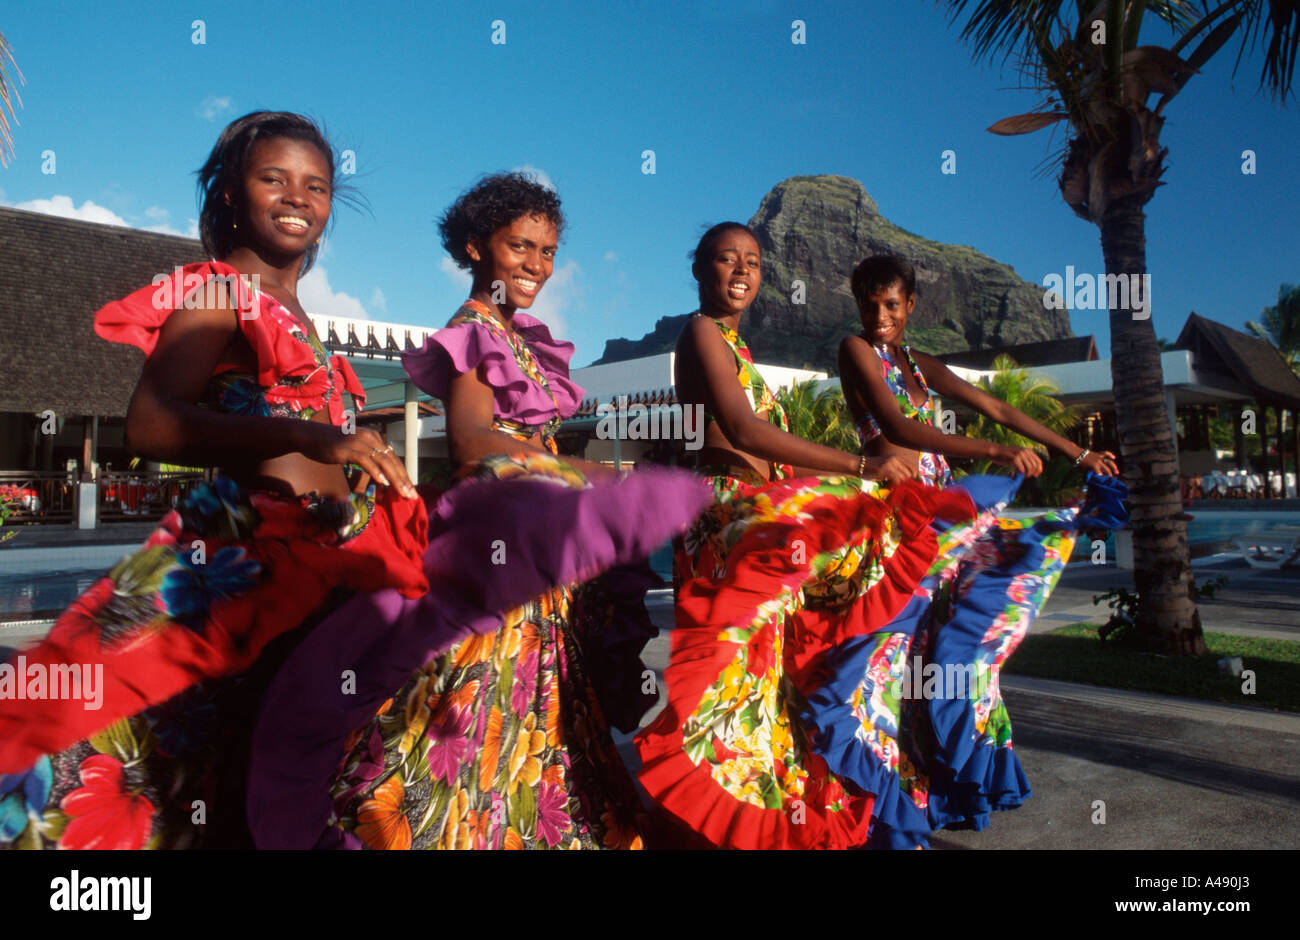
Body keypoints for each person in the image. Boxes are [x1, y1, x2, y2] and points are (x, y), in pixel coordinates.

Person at [0, 111, 429, 850]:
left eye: (316, 185)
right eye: (274, 178)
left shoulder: (298, 312)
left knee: (265, 771)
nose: (297, 197)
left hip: (321, 568)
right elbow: (151, 423)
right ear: (232, 192)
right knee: (142, 754)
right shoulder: (217, 293)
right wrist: (305, 434)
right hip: (244, 564)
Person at [246, 173, 711, 850]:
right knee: (470, 721)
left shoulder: (517, 335)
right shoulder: (472, 331)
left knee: (530, 721)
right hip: (498, 560)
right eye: (519, 245)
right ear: (474, 248)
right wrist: (588, 473)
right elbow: (469, 441)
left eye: (547, 251)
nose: (536, 264)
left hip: (530, 567)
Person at [633, 223, 980, 849]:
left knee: (763, 681)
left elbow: (770, 455)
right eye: (726, 259)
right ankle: (711, 821)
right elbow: (739, 430)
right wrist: (859, 466)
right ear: (700, 269)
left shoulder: (736, 346)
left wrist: (876, 486)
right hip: (728, 523)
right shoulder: (701, 332)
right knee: (734, 679)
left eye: (754, 262)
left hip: (756, 524)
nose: (741, 270)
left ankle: (763, 812)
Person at [818, 253, 1127, 848]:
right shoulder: (856, 351)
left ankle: (923, 794)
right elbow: (899, 429)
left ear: (910, 306)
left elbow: (999, 406)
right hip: (897, 516)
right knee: (883, 660)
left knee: (943, 656)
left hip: (941, 522)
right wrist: (996, 451)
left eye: (891, 305)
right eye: (869, 305)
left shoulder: (919, 362)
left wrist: (1076, 452)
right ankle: (872, 807)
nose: (879, 316)